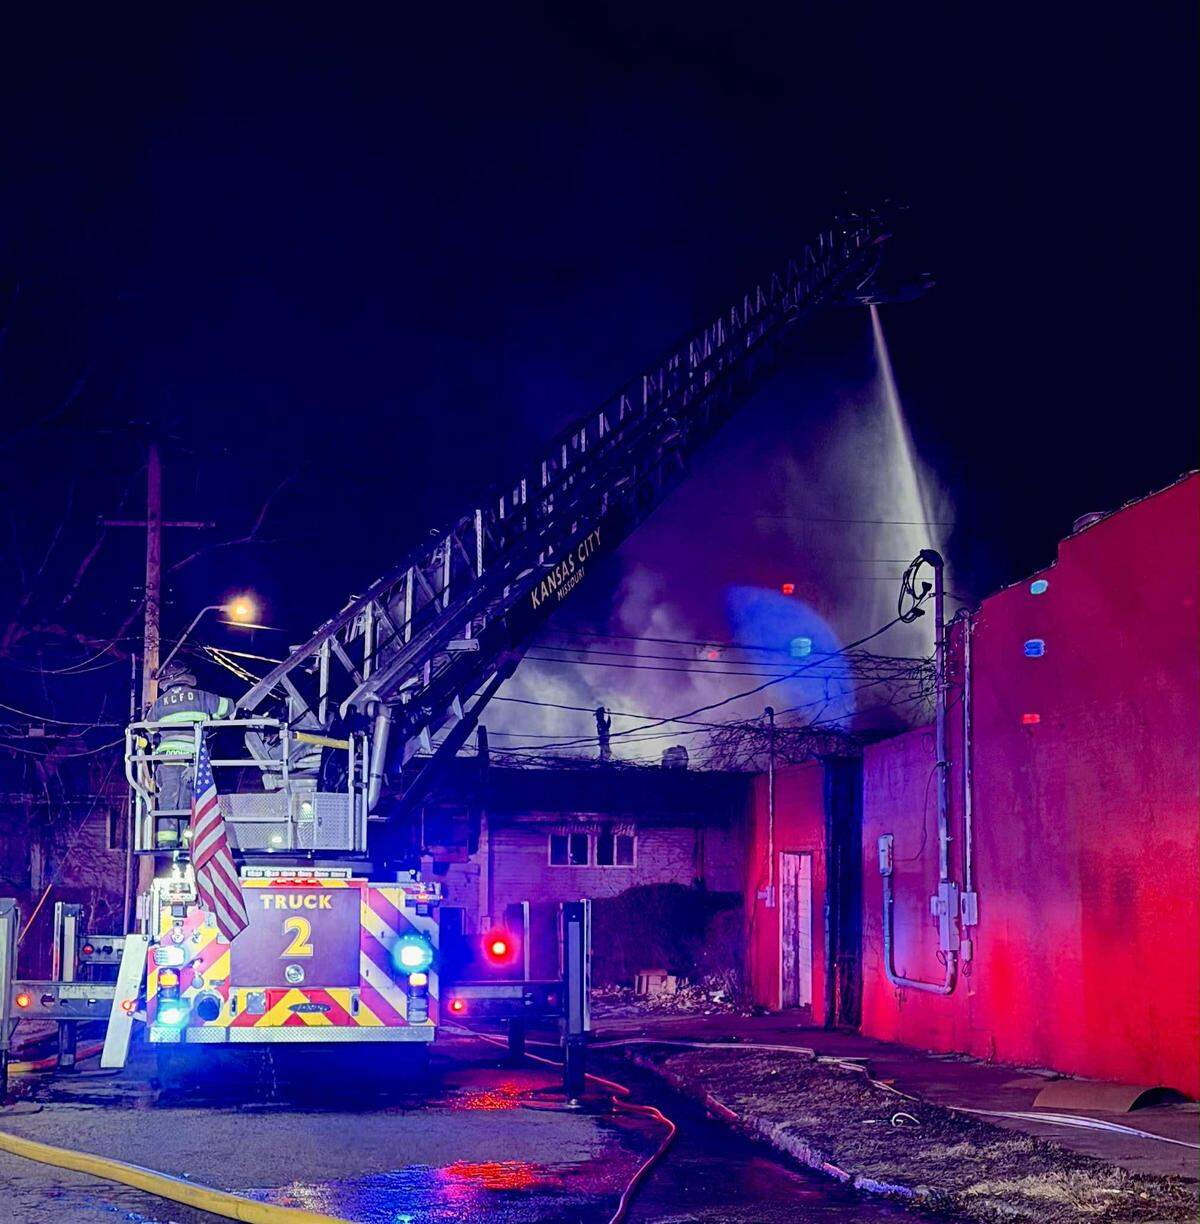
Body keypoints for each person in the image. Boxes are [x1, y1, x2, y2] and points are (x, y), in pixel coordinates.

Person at [147, 662, 234, 814]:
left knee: (168, 801)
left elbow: (149, 727)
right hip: (193, 759)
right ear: (188, 677)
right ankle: (189, 836)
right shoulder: (201, 697)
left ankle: (166, 837)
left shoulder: (159, 704)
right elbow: (228, 707)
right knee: (189, 803)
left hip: (168, 759)